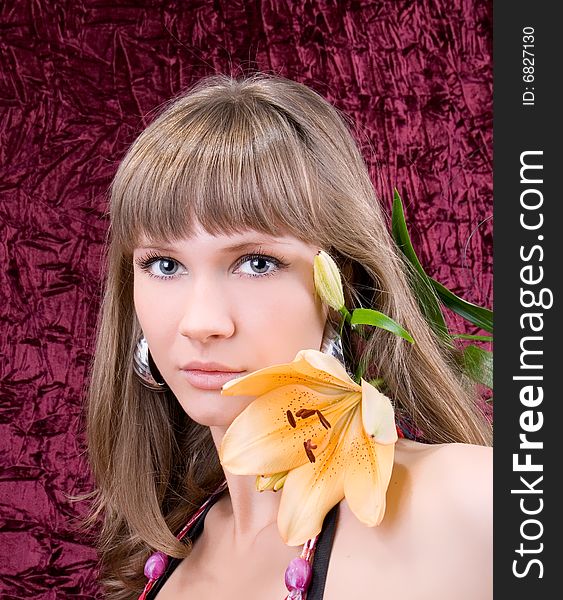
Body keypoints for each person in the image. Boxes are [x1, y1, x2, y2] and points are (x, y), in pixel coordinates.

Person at [85, 72, 493, 600]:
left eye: (256, 263)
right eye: (164, 264)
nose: (201, 321)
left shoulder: (466, 500)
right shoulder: (169, 556)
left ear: (339, 280)